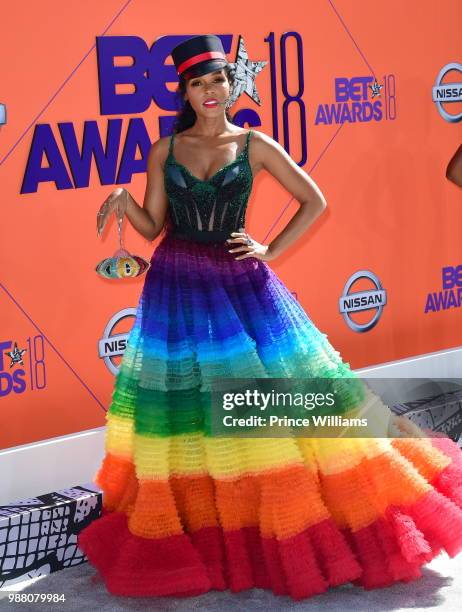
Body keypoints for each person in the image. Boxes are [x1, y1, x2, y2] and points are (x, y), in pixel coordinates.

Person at [78, 35, 462, 601]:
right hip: (177, 283)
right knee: (186, 409)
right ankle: (213, 522)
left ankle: (283, 519)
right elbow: (154, 224)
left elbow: (315, 201)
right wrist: (122, 201)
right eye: (197, 83)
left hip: (240, 284)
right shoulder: (164, 149)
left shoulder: (255, 144)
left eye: (217, 80)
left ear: (231, 85)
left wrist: (270, 250)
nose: (209, 92)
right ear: (183, 91)